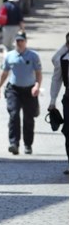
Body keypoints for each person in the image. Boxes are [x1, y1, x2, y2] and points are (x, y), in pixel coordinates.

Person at [0, 31, 42, 155]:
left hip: (29, 90)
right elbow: (5, 73)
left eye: (21, 40)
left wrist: (37, 85)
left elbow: (38, 73)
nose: (19, 43)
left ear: (25, 41)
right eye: (17, 41)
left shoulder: (33, 56)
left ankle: (28, 144)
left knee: (28, 118)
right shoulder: (10, 56)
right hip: (14, 89)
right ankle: (14, 144)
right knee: (14, 115)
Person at [49, 33, 69, 169]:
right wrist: (52, 100)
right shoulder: (63, 59)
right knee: (68, 130)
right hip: (68, 99)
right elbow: (56, 79)